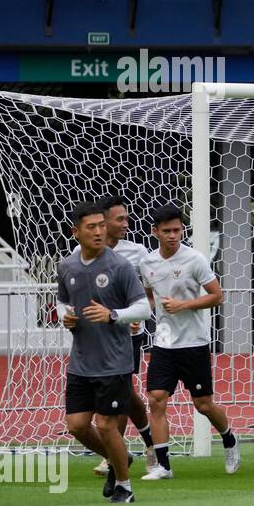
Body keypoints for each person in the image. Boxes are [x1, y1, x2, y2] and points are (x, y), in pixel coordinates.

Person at [58, 200, 153, 502]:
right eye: (92, 227)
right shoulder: (67, 266)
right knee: (77, 426)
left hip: (114, 361)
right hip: (81, 361)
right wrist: (64, 316)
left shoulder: (120, 266)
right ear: (76, 232)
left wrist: (114, 314)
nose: (99, 232)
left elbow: (144, 309)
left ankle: (124, 486)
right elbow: (61, 302)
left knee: (107, 424)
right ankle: (120, 457)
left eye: (102, 225)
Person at [138, 203, 240, 479]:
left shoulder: (194, 259)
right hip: (163, 343)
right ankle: (163, 465)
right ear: (155, 231)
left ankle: (229, 438)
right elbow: (150, 296)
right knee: (156, 400)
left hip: (193, 342)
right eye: (167, 230)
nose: (173, 235)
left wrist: (184, 305)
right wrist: (143, 313)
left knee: (203, 404)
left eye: (177, 230)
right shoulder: (146, 263)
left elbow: (217, 296)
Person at [90, 194, 157, 476]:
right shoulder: (85, 253)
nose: (126, 224)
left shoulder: (138, 253)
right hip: (96, 336)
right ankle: (150, 443)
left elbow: (150, 295)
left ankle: (113, 456)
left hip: (128, 334)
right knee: (124, 393)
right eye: (121, 219)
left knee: (118, 391)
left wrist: (135, 315)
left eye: (127, 218)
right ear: (103, 223)